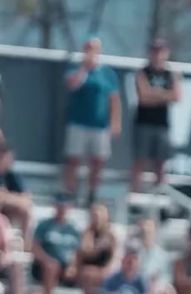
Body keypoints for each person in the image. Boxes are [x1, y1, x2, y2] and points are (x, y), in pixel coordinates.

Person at [61, 38, 120, 203]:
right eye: (88, 48)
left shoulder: (107, 73)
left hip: (100, 125)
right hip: (78, 123)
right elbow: (72, 85)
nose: (91, 51)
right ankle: (70, 192)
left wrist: (115, 122)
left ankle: (92, 194)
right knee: (73, 159)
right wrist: (84, 68)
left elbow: (114, 99)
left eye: (94, 48)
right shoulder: (75, 69)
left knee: (98, 161)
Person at [131, 38, 181, 191]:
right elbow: (144, 97)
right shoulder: (143, 72)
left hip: (162, 124)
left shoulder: (171, 74)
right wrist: (164, 95)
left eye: (161, 51)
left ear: (166, 53)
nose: (158, 55)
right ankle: (135, 193)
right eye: (155, 51)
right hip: (143, 122)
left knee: (160, 163)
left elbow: (177, 96)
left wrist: (154, 94)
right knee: (140, 161)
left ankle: (159, 194)